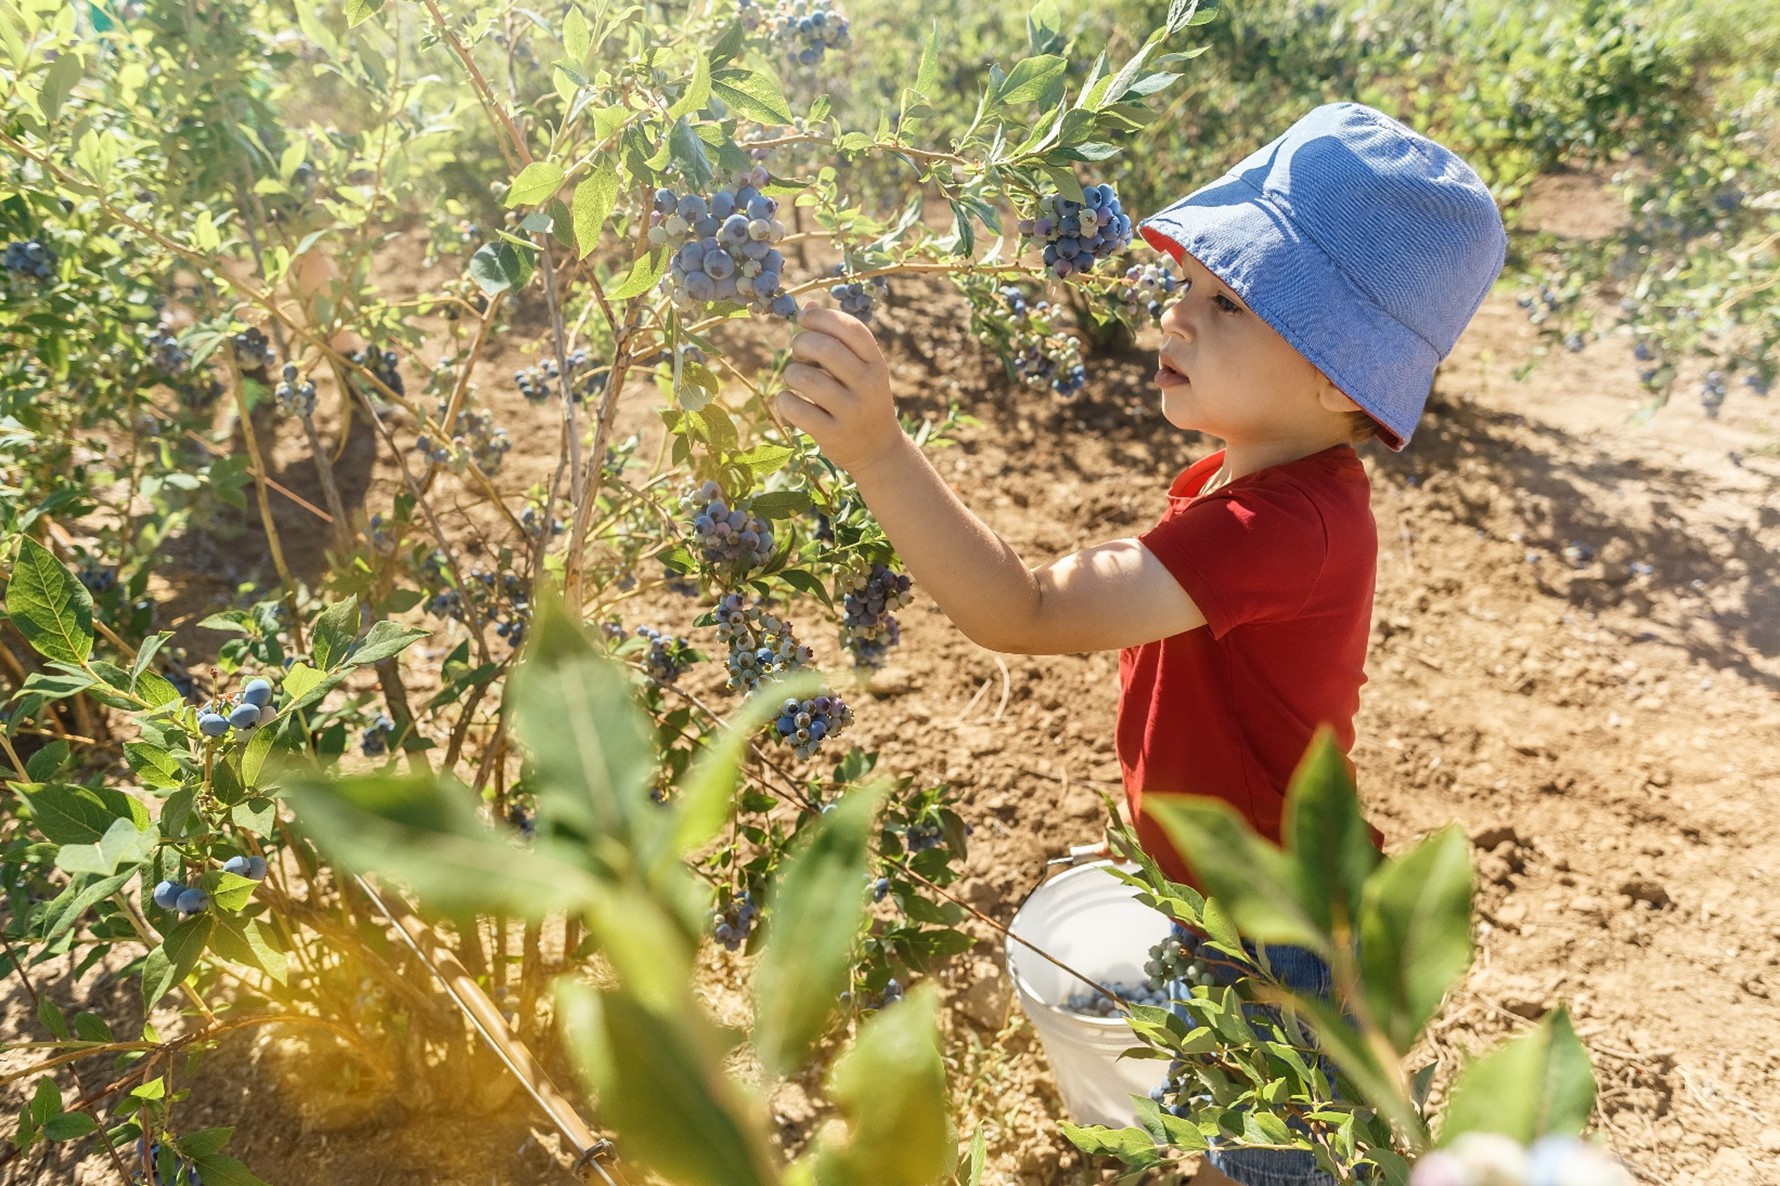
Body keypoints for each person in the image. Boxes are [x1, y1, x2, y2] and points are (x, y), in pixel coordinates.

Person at [779, 101, 1506, 1186]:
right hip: (1236, 898)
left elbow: (1021, 611)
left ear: (1335, 375)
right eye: (1188, 285)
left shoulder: (1279, 529)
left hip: (1273, 932)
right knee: (1254, 1124)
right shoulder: (1251, 482)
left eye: (1226, 301)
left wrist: (881, 453)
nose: (1176, 316)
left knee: (1276, 1157)